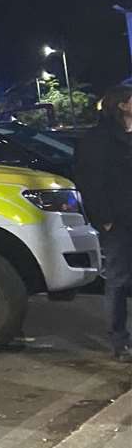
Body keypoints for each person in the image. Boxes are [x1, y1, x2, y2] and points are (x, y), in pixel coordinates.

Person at [75, 83, 132, 361]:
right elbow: (91, 182)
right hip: (118, 221)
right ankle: (120, 342)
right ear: (121, 105)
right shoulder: (99, 139)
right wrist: (105, 219)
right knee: (118, 281)